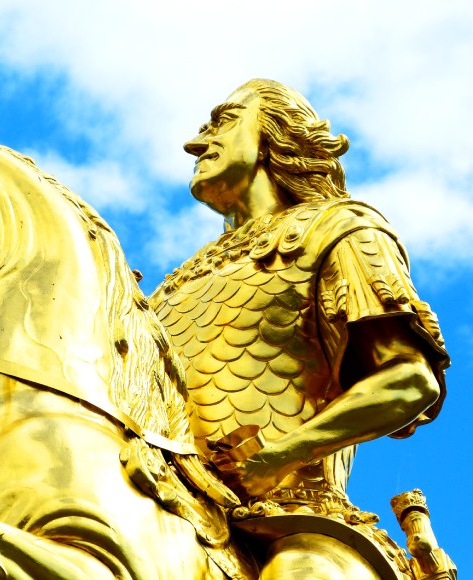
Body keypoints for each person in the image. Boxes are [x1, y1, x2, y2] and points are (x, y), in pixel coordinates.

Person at [150, 79, 449, 578]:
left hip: (296, 519)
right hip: (169, 498)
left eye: (223, 121)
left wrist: (282, 454)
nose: (196, 142)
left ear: (276, 137)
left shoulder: (341, 228)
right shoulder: (174, 283)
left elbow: (409, 380)